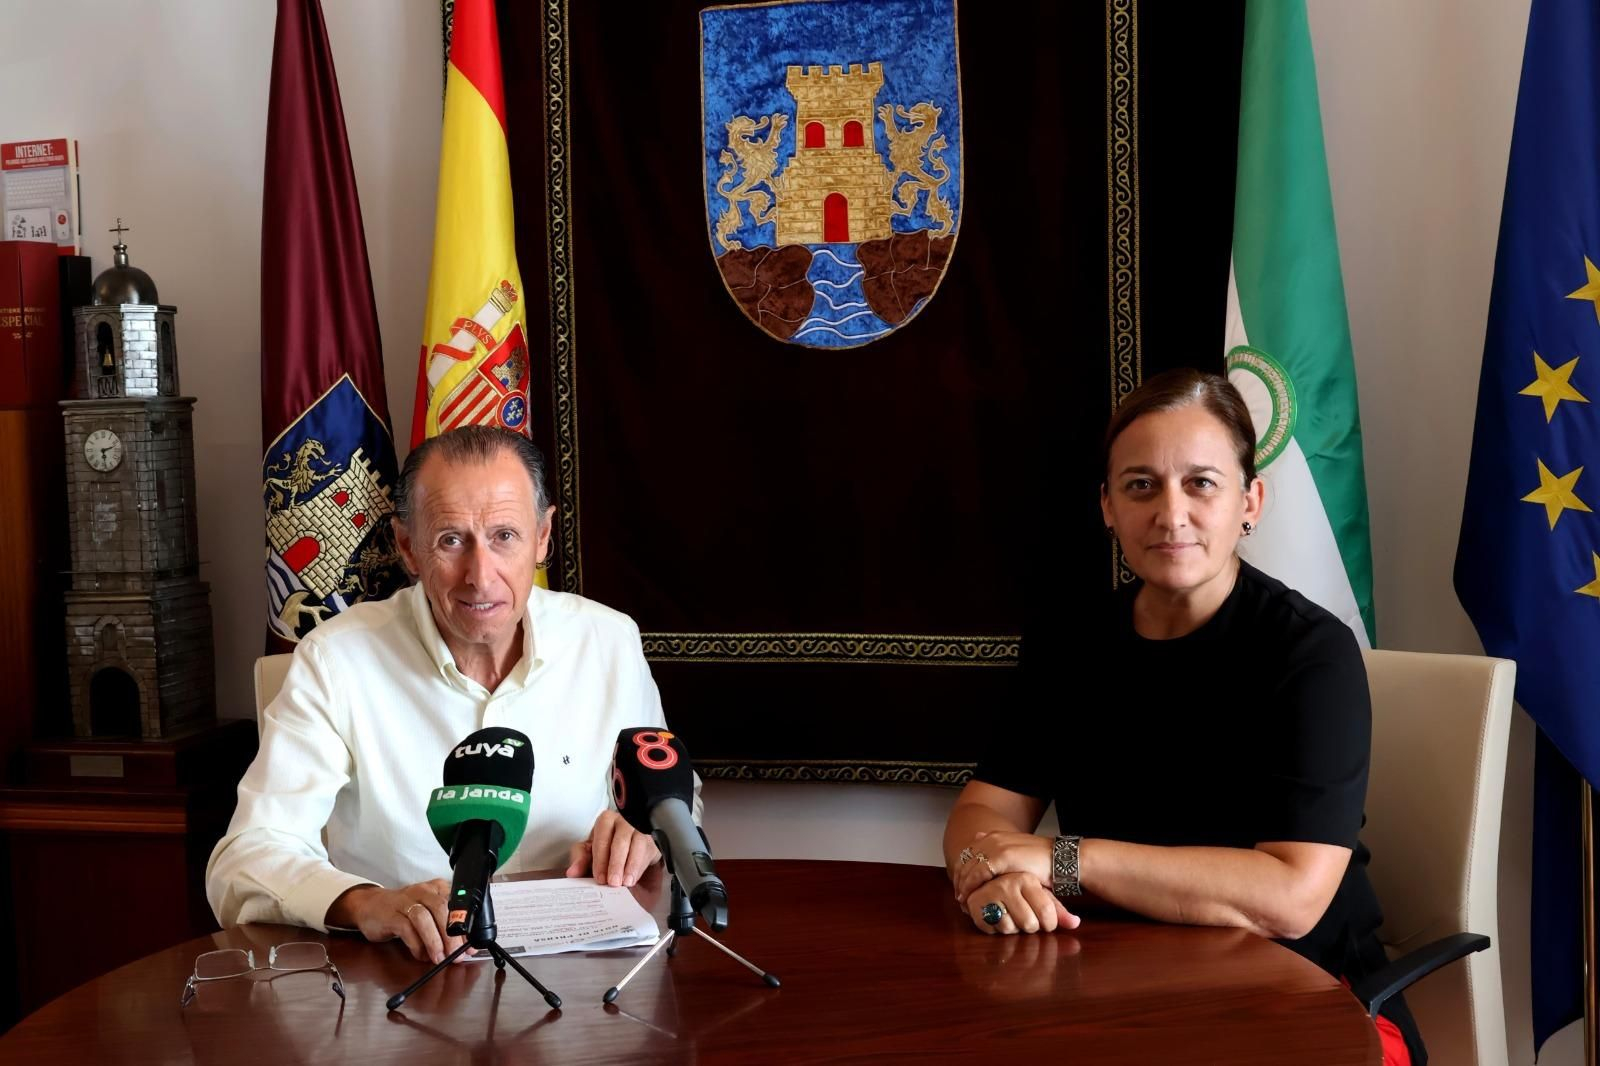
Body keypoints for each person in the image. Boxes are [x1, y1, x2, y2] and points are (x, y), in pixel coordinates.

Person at [943, 369, 1422, 1065]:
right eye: (1141, 485)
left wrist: (1058, 860)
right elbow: (982, 811)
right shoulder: (1067, 641)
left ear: (1250, 502)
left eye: (1201, 483)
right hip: (1114, 979)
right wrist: (992, 878)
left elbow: (1289, 898)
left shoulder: (1311, 652)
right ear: (1108, 506)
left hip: (1304, 992)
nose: (1171, 515)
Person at [207, 426, 697, 966]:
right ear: (407, 547)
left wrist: (646, 834)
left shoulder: (608, 641)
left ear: (542, 537)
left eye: (504, 536)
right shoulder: (335, 660)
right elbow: (244, 861)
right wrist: (366, 903)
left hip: (583, 975)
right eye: (451, 540)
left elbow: (675, 799)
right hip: (407, 977)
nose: (480, 577)